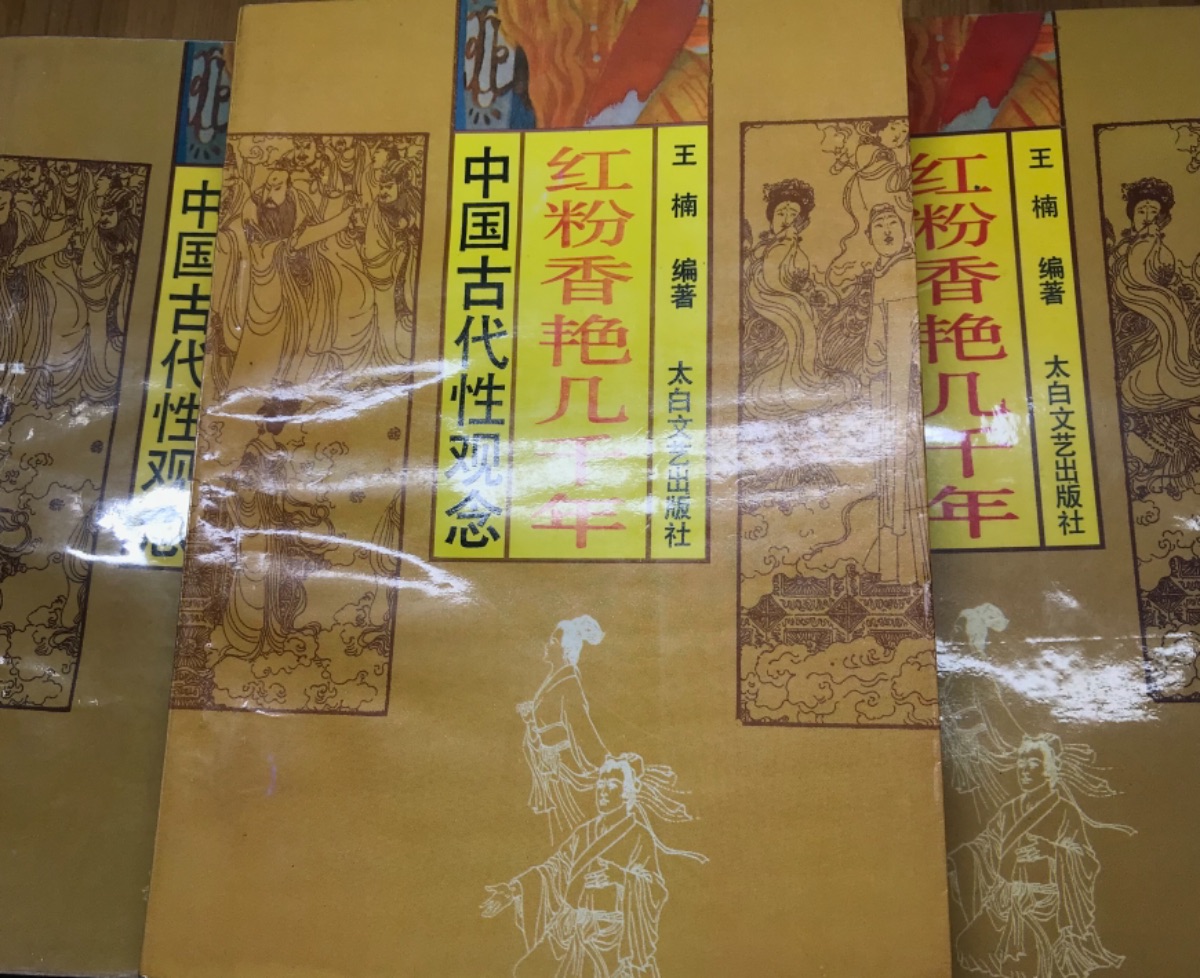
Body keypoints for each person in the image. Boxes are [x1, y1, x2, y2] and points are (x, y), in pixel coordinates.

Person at [482, 753, 705, 977]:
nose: (603, 789)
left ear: (629, 790)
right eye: (600, 782)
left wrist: (620, 877)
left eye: (612, 783)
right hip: (569, 928)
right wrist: (513, 889)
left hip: (610, 937)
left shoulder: (639, 836)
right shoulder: (584, 833)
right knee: (526, 971)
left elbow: (655, 889)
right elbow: (555, 868)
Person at [948, 735, 1131, 978]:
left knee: (1028, 963)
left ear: (1050, 768)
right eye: (1020, 763)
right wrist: (956, 859)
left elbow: (1086, 860)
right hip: (1004, 899)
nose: (1023, 769)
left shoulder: (1065, 811)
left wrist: (1052, 850)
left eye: (1033, 763)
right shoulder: (1009, 810)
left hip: (1045, 902)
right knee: (966, 946)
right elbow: (986, 844)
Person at [1106, 176, 1200, 499]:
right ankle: (1170, 456)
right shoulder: (1125, 246)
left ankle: (1180, 456)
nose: (1147, 216)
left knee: (1146, 393)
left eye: (1153, 211)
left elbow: (1152, 285)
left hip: (1156, 331)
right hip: (1132, 330)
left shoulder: (1155, 248)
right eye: (1142, 210)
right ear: (1132, 214)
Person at [518, 615, 610, 843]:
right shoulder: (556, 680)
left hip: (566, 774)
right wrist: (531, 717)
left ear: (565, 648)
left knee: (573, 836)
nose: (547, 644)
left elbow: (581, 728)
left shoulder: (568, 683)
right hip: (553, 774)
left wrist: (605, 762)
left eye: (553, 641)